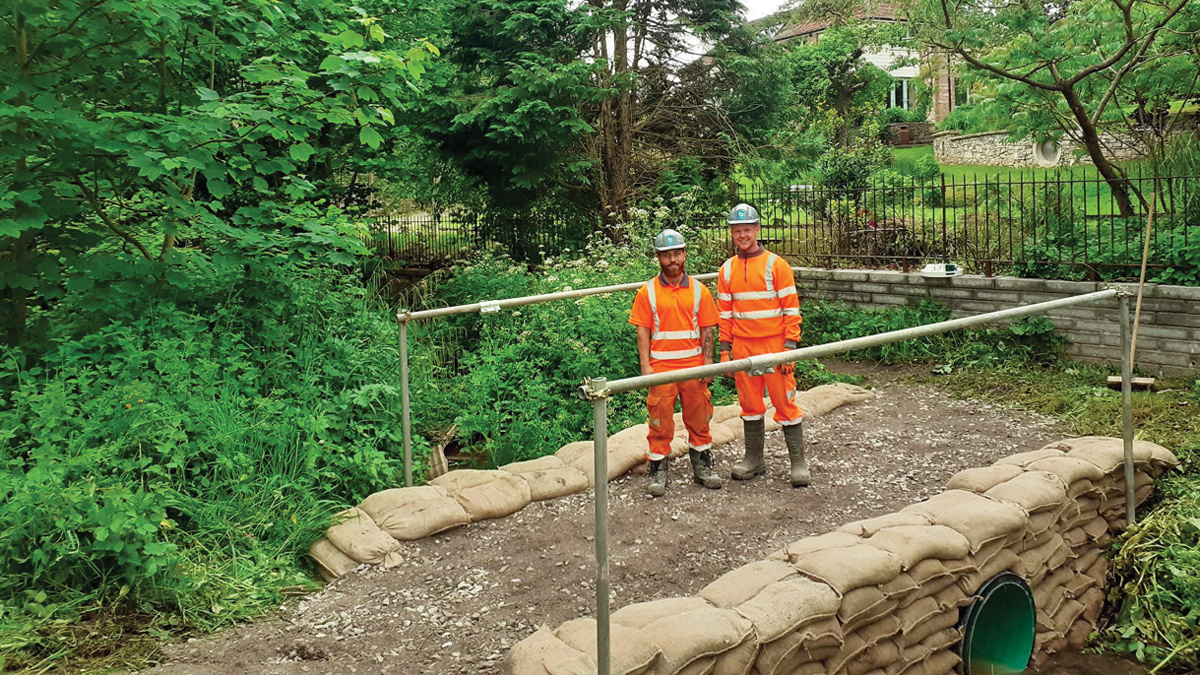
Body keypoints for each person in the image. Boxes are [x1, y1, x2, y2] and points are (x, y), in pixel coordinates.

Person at [717, 203, 810, 487]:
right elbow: (725, 315)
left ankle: (798, 463)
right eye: (737, 231)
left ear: (757, 229)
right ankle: (754, 460)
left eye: (747, 229)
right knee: (749, 404)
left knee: (785, 402)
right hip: (743, 348)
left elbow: (791, 309)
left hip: (775, 346)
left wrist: (790, 348)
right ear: (731, 233)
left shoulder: (776, 265)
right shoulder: (727, 270)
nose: (742, 235)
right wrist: (724, 351)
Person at [628, 229, 723, 497]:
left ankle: (702, 468)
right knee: (659, 421)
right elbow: (643, 331)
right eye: (667, 255)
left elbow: (707, 330)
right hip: (661, 368)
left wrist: (708, 364)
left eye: (677, 254)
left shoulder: (699, 291)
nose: (672, 260)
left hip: (694, 366)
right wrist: (646, 366)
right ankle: (658, 470)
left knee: (700, 418)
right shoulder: (647, 292)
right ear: (658, 258)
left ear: (684, 255)